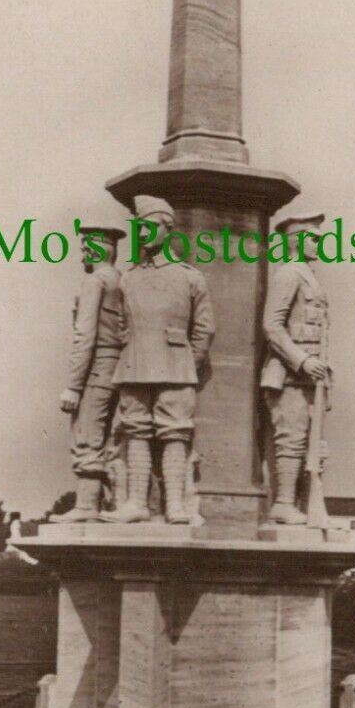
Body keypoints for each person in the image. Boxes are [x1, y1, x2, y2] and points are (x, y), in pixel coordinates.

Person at [105, 194, 215, 524]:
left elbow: (205, 329)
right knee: (135, 429)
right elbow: (120, 325)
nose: (143, 234)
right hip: (134, 365)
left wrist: (186, 363)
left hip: (175, 367)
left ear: (168, 228)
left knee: (175, 432)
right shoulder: (128, 278)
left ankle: (176, 507)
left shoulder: (190, 277)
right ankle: (136, 503)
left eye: (150, 227)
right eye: (139, 228)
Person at [260, 209, 330, 525]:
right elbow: (272, 326)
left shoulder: (309, 276)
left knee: (308, 444)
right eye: (312, 238)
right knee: (290, 439)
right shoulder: (288, 274)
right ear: (296, 240)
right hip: (289, 374)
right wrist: (302, 361)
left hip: (310, 377)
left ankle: (300, 504)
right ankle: (284, 503)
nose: (318, 243)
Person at [57, 217, 126, 522]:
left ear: (100, 249)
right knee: (107, 434)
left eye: (86, 247)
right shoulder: (121, 280)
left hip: (97, 366)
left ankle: (88, 506)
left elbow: (85, 335)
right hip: (117, 366)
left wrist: (73, 384)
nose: (82, 253)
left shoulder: (95, 282)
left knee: (88, 433)